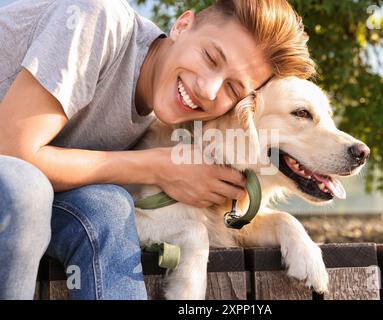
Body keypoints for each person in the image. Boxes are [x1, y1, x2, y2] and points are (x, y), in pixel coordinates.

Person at [0, 0, 315, 299]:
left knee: (108, 205)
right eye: (210, 57)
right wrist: (158, 166)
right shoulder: (96, 17)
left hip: (41, 204)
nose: (207, 89)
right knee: (24, 189)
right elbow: (12, 154)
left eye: (232, 87)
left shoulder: (172, 116)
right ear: (182, 25)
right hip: (14, 185)